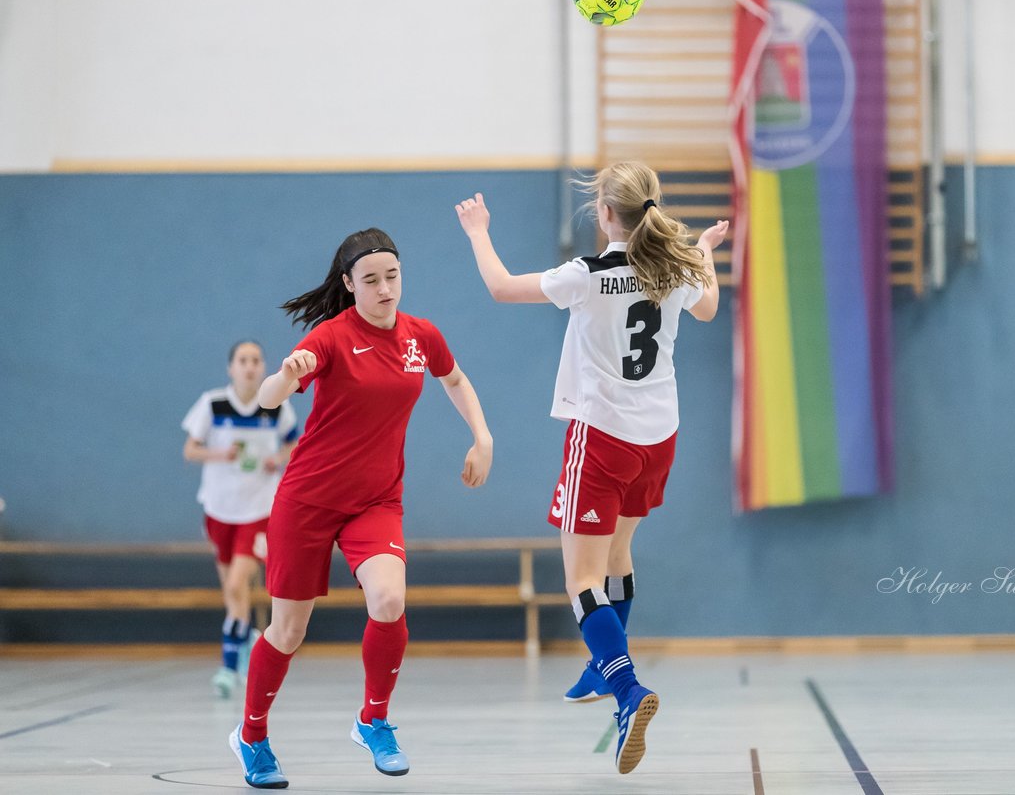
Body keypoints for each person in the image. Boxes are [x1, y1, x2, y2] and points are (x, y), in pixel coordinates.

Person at [455, 162, 728, 774]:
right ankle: (603, 667)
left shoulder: (589, 274)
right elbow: (709, 308)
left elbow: (501, 288)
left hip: (603, 437)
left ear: (605, 213)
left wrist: (477, 231)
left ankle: (627, 690)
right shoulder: (677, 266)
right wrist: (705, 250)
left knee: (581, 580)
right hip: (659, 437)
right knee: (616, 558)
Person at [229, 228, 493, 789]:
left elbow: (456, 378)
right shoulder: (330, 337)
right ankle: (251, 735)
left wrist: (482, 436)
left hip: (375, 499)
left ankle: (373, 719)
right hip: (308, 499)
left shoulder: (422, 336)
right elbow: (267, 399)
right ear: (349, 285)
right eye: (370, 280)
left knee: (390, 598)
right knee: (288, 630)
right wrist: (287, 374)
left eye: (392, 277)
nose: (384, 289)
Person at [183, 340, 299, 698]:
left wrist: (277, 458)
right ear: (231, 368)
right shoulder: (213, 403)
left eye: (255, 360)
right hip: (220, 508)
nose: (249, 366)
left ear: (263, 366)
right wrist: (222, 453)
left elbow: (296, 443)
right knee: (232, 595)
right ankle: (245, 638)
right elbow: (190, 450)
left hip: (259, 509)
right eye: (242, 361)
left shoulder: (276, 406)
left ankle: (228, 666)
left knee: (237, 585)